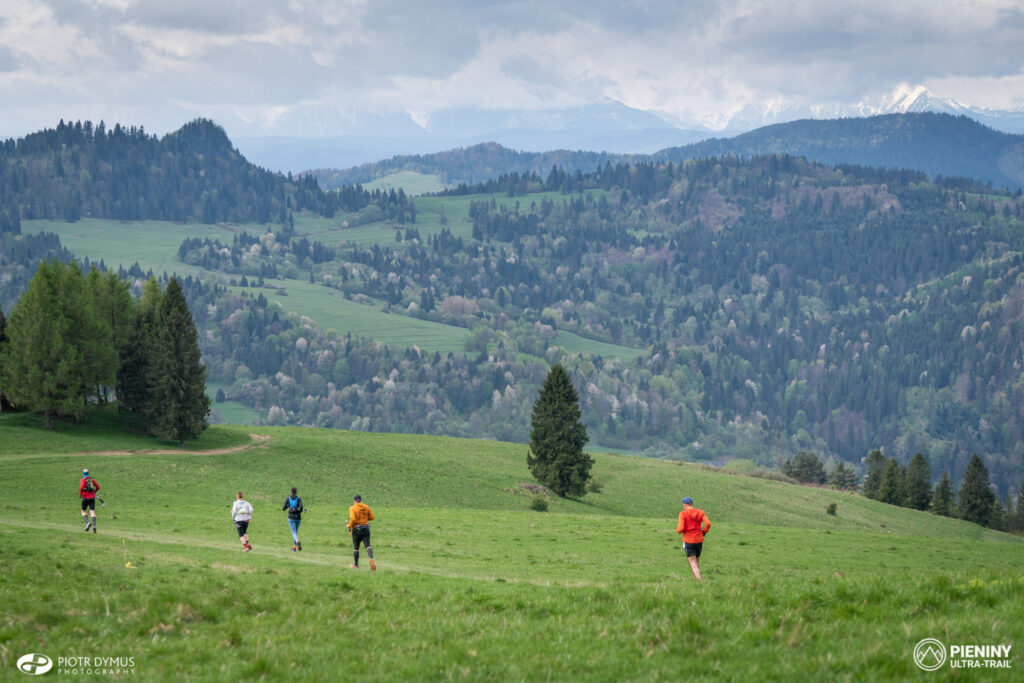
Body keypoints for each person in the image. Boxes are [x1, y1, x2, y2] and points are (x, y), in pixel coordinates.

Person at [676, 496, 711, 580]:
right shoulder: (700, 512)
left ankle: (700, 581)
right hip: (699, 540)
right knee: (696, 561)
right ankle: (695, 581)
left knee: (692, 562)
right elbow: (708, 523)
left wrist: (678, 531)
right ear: (692, 504)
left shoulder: (683, 514)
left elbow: (680, 529)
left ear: (684, 505)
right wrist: (704, 531)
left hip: (689, 540)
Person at [347, 494, 375, 570]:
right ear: (361, 500)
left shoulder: (352, 508)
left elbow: (353, 519)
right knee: (368, 546)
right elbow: (372, 517)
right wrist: (364, 518)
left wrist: (349, 525)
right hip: (366, 529)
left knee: (356, 548)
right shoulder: (366, 507)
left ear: (354, 501)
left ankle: (356, 564)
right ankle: (371, 558)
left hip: (357, 530)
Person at [282, 487, 304, 551]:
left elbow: (283, 508)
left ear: (291, 492)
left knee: (294, 532)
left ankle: (297, 542)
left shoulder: (288, 499)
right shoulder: (299, 499)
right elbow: (301, 507)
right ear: (296, 492)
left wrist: (288, 506)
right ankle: (294, 547)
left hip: (291, 518)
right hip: (298, 518)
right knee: (295, 532)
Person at [79, 469, 100, 533]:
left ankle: (87, 523)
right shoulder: (92, 480)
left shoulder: (83, 480)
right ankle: (94, 527)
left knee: (83, 510)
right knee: (92, 511)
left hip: (85, 497)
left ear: (83, 474)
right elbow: (98, 487)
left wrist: (80, 495)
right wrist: (94, 492)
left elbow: (81, 488)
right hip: (92, 498)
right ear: (88, 473)